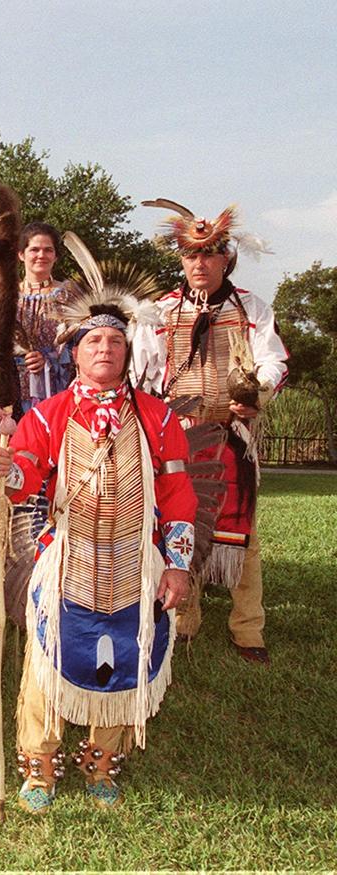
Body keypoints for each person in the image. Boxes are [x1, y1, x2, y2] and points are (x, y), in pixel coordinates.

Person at [0, 267, 197, 813]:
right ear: (75, 353)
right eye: (94, 341)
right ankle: (40, 765)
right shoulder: (48, 415)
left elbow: (178, 496)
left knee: (127, 661)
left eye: (115, 342)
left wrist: (177, 566)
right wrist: (4, 469)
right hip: (69, 561)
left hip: (135, 564)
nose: (105, 349)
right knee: (48, 659)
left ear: (126, 353)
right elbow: (24, 482)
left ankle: (103, 760)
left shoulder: (156, 419)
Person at [131, 202, 288, 665]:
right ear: (182, 261)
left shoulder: (251, 308)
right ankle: (185, 618)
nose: (198, 263)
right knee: (180, 526)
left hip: (232, 432)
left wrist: (256, 392)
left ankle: (248, 627)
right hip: (178, 436)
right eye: (190, 255)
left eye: (208, 255)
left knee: (243, 533)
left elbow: (273, 359)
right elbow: (142, 373)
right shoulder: (160, 312)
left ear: (225, 259)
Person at [15, 222, 72, 410]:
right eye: (34, 250)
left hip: (57, 389)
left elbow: (81, 345)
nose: (41, 255)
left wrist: (48, 358)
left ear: (56, 256)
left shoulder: (69, 296)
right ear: (21, 255)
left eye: (48, 250)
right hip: (12, 389)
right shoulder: (3, 297)